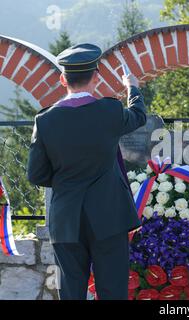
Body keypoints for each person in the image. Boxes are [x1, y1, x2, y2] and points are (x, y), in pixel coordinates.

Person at [26, 43, 146, 300]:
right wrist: (132, 87)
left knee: (70, 293)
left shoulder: (45, 121)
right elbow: (138, 115)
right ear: (96, 77)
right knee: (113, 292)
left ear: (62, 79)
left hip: (66, 219)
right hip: (109, 217)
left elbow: (35, 175)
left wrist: (65, 179)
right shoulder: (110, 111)